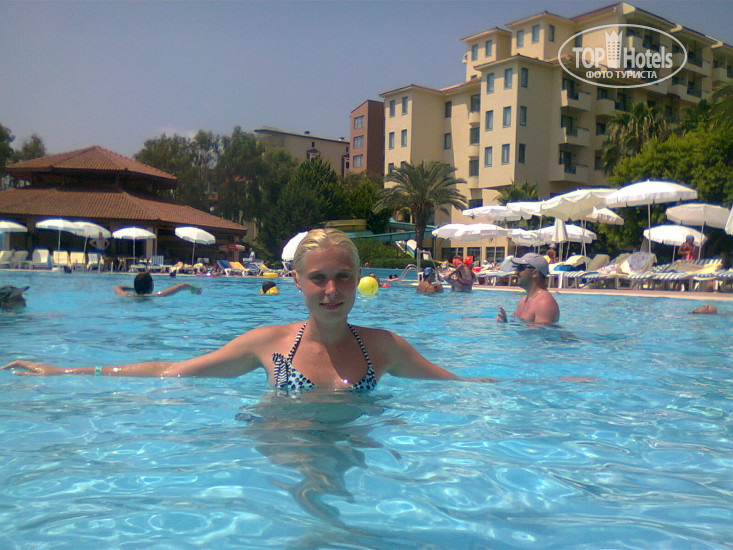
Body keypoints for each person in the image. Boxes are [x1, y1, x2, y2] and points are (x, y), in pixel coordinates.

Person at [3, 229, 498, 387]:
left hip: (352, 452)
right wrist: (65, 370)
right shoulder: (268, 344)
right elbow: (172, 369)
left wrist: (536, 389)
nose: (331, 290)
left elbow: (456, 383)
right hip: (279, 454)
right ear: (297, 281)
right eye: (318, 278)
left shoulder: (384, 347)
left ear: (357, 278)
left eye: (343, 276)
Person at [496, 253, 560, 324]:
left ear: (535, 273)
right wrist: (504, 323)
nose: (516, 272)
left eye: (521, 268)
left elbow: (544, 331)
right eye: (517, 268)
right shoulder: (523, 301)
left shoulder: (544, 304)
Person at [113, 271, 202, 297]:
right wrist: (194, 288)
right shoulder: (155, 295)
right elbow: (180, 286)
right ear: (151, 285)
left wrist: (135, 289)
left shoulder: (128, 295)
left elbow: (118, 287)